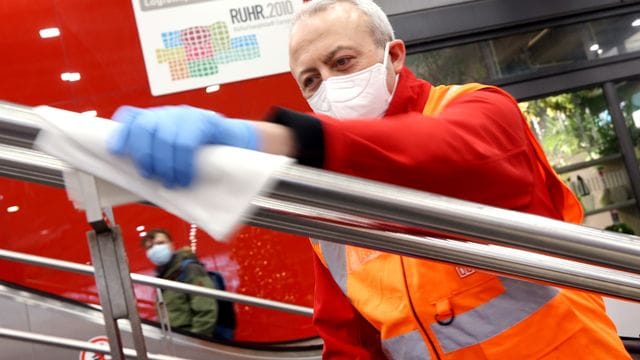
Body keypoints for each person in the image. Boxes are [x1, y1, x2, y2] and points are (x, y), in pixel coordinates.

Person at [111, 0, 630, 358]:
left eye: (343, 62)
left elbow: (438, 155)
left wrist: (277, 140)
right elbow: (348, 340)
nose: (330, 87)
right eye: (311, 80)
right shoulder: (327, 203)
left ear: (394, 56)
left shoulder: (479, 109)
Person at [142, 229, 218, 338]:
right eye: (150, 247)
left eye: (160, 243)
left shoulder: (190, 269)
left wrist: (196, 342)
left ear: (171, 245)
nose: (155, 249)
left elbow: (206, 310)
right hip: (174, 339)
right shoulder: (162, 277)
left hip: (188, 339)